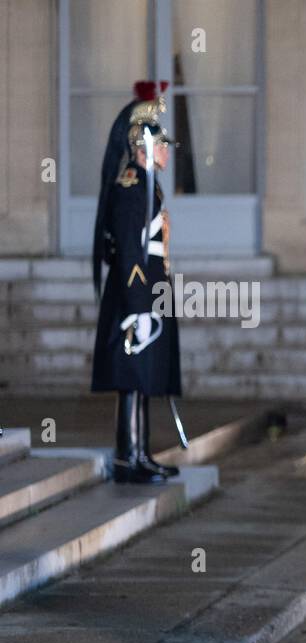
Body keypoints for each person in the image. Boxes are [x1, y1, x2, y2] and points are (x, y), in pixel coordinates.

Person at [90, 81, 182, 483]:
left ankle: (142, 453)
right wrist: (137, 308)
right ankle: (128, 457)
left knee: (145, 376)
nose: (166, 152)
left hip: (151, 294)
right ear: (144, 145)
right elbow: (128, 253)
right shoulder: (130, 189)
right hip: (137, 296)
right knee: (132, 377)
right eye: (161, 144)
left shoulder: (148, 187)